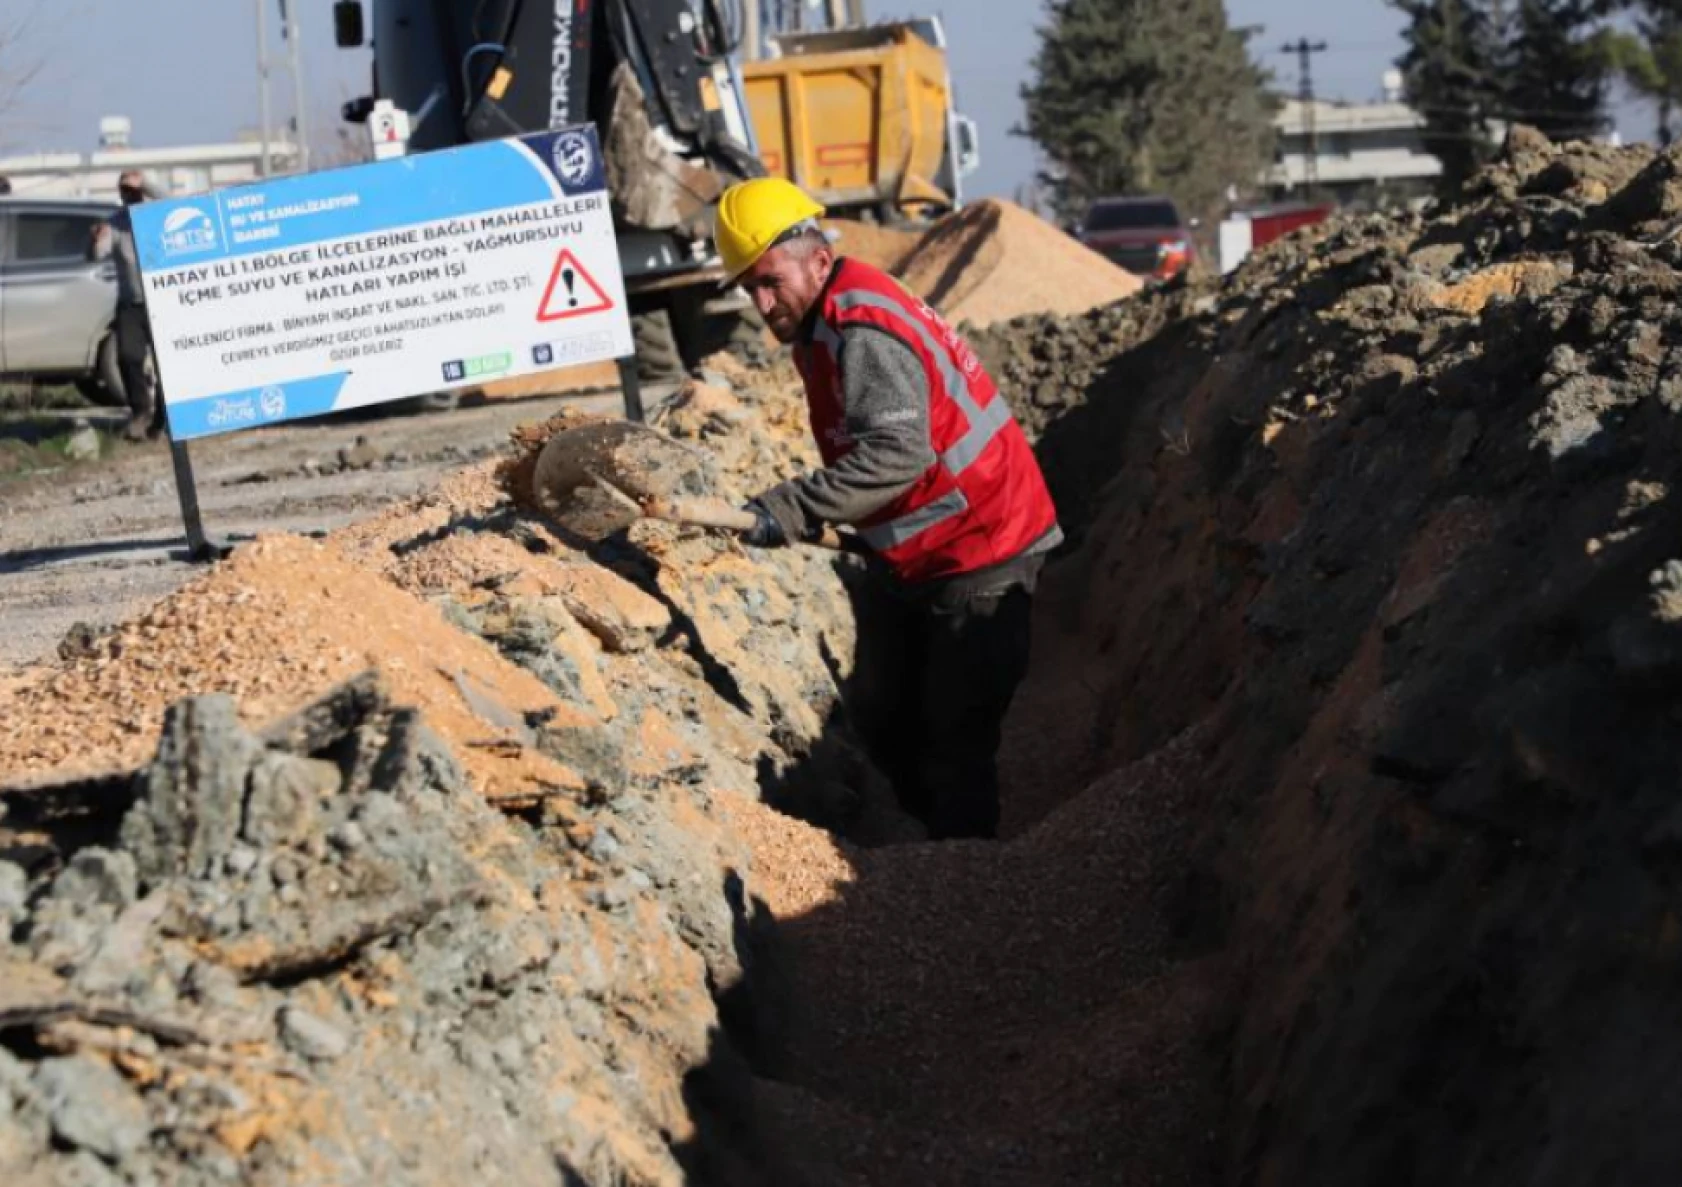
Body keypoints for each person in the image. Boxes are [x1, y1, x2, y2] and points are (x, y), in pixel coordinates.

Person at [714, 178, 1063, 841]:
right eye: (747, 288)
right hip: (923, 550)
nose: (761, 301)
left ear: (816, 257)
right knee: (881, 717)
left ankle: (968, 884)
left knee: (955, 741)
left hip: (983, 543)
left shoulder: (861, 327)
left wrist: (792, 507)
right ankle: (931, 857)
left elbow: (898, 456)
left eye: (768, 280)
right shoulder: (828, 314)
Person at [90, 170, 162, 441]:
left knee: (167, 364)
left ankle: (162, 420)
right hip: (131, 303)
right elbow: (98, 252)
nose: (129, 196)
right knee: (128, 357)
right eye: (125, 191)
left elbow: (173, 201)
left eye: (134, 191)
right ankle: (141, 411)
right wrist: (96, 239)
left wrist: (145, 183)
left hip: (161, 302)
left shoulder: (155, 214)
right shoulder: (116, 223)